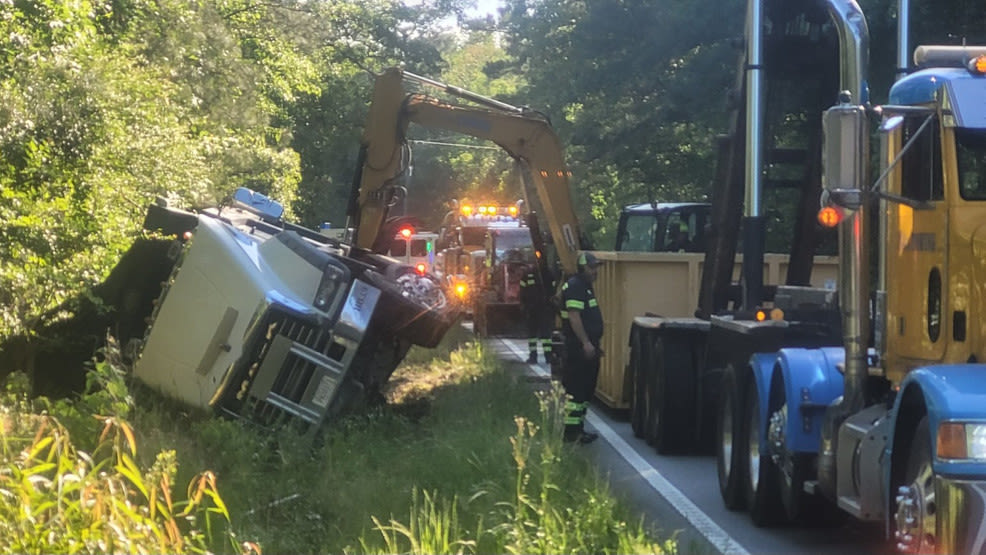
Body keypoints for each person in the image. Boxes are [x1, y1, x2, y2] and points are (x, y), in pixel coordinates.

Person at [559, 251, 603, 444]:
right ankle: (571, 433)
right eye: (592, 268)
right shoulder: (576, 286)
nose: (595, 272)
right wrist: (585, 343)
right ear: (583, 267)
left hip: (587, 346)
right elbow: (574, 316)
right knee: (577, 389)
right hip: (578, 348)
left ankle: (578, 429)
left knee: (585, 389)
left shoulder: (584, 286)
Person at [519, 261, 555, 364]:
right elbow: (553, 290)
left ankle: (535, 357)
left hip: (535, 309)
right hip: (540, 309)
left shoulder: (528, 274)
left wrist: (523, 305)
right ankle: (547, 357)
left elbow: (522, 292)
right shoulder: (548, 273)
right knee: (543, 334)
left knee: (535, 335)